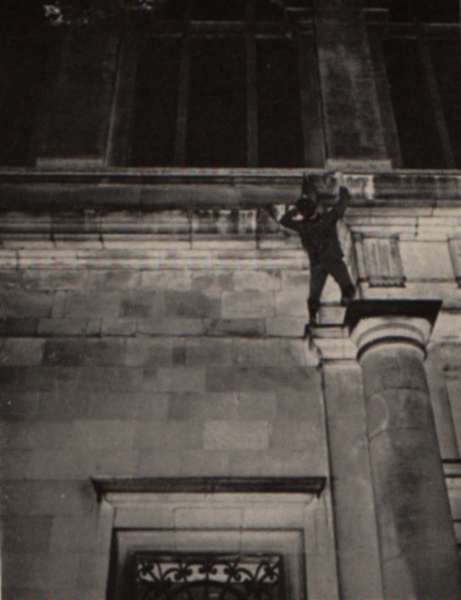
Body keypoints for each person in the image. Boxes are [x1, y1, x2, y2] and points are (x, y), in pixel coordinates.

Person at [279, 172, 356, 329]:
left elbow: (284, 220)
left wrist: (294, 210)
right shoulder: (326, 219)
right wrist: (342, 186)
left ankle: (313, 317)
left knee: (314, 294)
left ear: (303, 213)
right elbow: (341, 206)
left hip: (318, 263)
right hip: (333, 259)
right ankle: (347, 301)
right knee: (347, 284)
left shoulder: (303, 226)